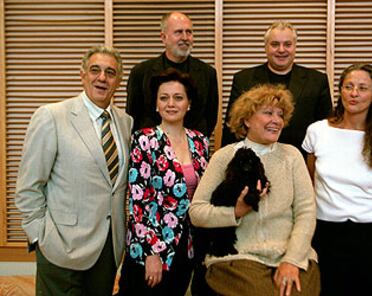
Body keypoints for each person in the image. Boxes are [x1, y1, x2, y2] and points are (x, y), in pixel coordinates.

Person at [15, 45, 133, 295]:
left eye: (110, 72)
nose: (102, 78)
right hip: (60, 247)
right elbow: (29, 186)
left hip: (108, 250)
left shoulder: (125, 123)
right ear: (82, 75)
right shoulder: (51, 116)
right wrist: (40, 236)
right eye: (95, 70)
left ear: (119, 81)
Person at [190, 84, 320, 296]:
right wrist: (236, 212)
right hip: (239, 257)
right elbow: (197, 212)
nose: (276, 120)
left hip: (290, 254)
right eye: (268, 113)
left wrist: (292, 259)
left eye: (280, 115)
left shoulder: (292, 156)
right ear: (247, 119)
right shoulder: (224, 157)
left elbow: (306, 211)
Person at [302, 63, 372, 296]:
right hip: (325, 231)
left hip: (370, 235)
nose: (354, 93)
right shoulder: (318, 131)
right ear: (340, 91)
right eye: (348, 86)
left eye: (362, 88)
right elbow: (310, 179)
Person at [118, 68, 210, 296]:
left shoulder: (200, 142)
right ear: (156, 105)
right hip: (150, 247)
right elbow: (138, 202)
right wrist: (152, 253)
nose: (171, 104)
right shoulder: (143, 139)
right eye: (164, 98)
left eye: (178, 98)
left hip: (187, 245)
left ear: (188, 104)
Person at [221, 20, 332, 158]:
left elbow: (326, 130)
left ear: (295, 47)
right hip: (253, 162)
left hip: (300, 162)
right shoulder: (244, 79)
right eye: (275, 44)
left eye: (287, 44)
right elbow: (232, 128)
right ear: (266, 47)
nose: (281, 50)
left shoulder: (317, 81)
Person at [126, 11, 219, 138]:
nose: (185, 38)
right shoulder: (141, 72)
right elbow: (133, 116)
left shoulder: (208, 73)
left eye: (189, 32)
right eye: (179, 32)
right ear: (163, 37)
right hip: (151, 147)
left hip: (194, 148)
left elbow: (210, 117)